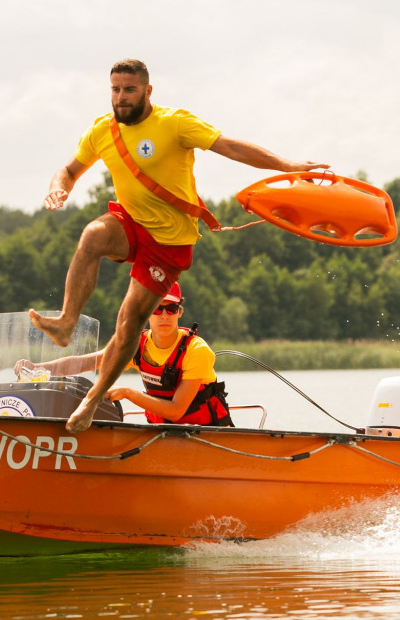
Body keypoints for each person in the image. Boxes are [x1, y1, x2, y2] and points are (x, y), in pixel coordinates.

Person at [30, 58, 327, 432]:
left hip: (169, 242)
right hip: (132, 223)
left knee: (129, 324)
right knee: (92, 235)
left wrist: (288, 165)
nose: (121, 98)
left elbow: (232, 147)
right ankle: (66, 321)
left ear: (147, 91)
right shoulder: (102, 131)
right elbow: (70, 170)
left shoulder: (175, 123)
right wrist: (60, 187)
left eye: (130, 90)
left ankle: (91, 401)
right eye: (115, 90)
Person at [17, 284, 232, 427]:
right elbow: (88, 362)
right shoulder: (135, 344)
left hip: (207, 434)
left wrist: (128, 393)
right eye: (157, 308)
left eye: (171, 309)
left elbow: (176, 411)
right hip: (163, 434)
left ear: (180, 312)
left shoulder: (197, 351)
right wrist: (39, 368)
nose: (164, 315)